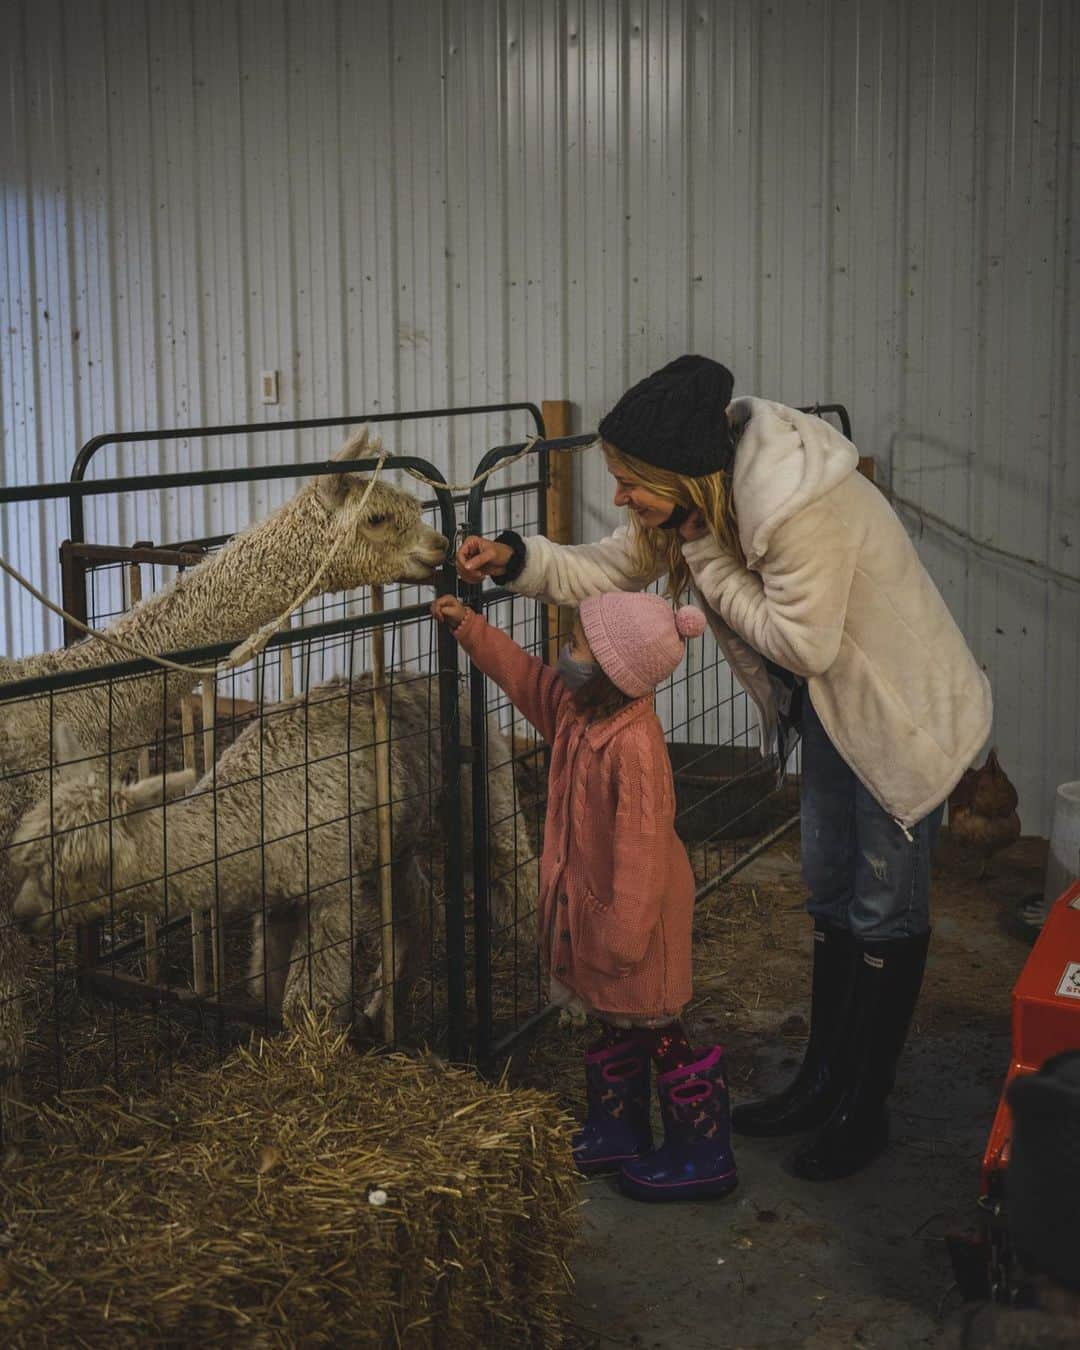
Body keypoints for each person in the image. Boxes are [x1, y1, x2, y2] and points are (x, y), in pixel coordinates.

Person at [456, 355, 992, 1182]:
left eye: (632, 484)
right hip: (829, 713)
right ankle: (820, 1079)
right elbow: (607, 565)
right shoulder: (697, 504)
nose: (624, 499)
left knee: (883, 906)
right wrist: (515, 558)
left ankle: (863, 1105)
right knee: (831, 888)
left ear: (681, 477)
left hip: (899, 714)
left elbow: (802, 642)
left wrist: (705, 559)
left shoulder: (799, 507)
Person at [431, 587, 737, 1203]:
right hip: (599, 913)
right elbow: (524, 678)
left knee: (656, 1026)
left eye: (575, 645)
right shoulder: (579, 711)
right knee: (614, 1019)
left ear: (611, 669)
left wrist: (622, 940)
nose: (561, 654)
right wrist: (470, 629)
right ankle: (617, 1132)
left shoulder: (636, 749)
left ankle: (704, 1153)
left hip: (637, 921)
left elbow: (643, 853)